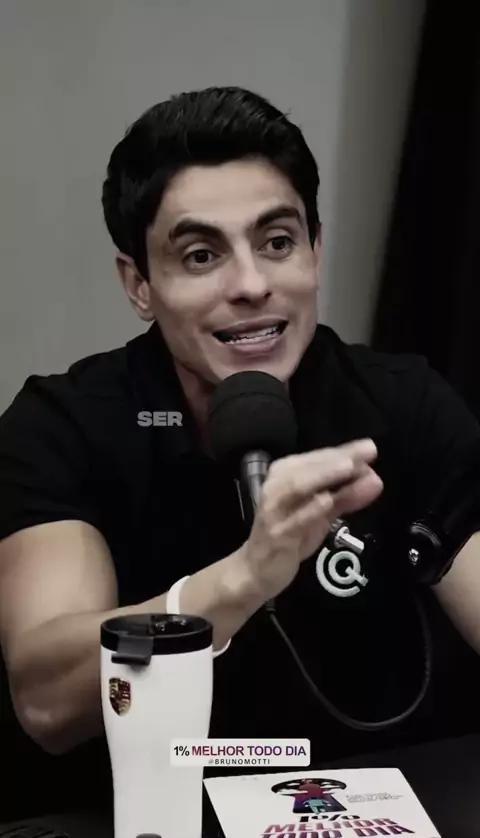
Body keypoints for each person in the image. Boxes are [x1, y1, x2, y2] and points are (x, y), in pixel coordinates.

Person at [1, 86, 480, 802]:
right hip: (147, 816)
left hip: (372, 810)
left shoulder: (404, 405)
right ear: (139, 284)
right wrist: (242, 579)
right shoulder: (63, 424)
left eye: (278, 243)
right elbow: (46, 699)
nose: (252, 284)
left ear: (316, 252)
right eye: (201, 255)